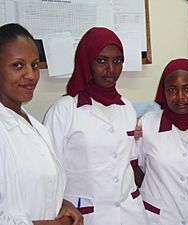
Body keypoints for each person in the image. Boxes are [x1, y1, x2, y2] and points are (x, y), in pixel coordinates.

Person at [43, 27, 149, 225]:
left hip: (130, 214)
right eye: (101, 60)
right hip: (88, 214)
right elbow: (49, 172)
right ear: (86, 62)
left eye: (117, 61)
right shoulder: (63, 111)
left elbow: (131, 163)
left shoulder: (126, 107)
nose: (111, 69)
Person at [0, 23, 83, 225]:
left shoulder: (36, 127)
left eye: (34, 65)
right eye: (17, 65)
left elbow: (36, 187)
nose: (30, 75)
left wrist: (63, 204)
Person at [135, 58, 188, 225]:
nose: (180, 97)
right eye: (172, 90)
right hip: (157, 218)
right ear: (164, 91)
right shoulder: (146, 124)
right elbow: (135, 168)